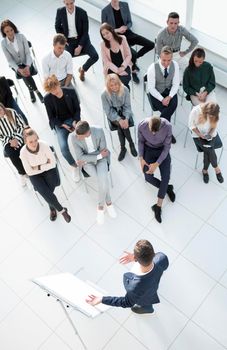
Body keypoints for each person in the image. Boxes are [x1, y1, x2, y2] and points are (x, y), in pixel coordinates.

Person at [86, 239, 169, 314]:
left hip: (145, 295)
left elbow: (126, 302)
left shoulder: (135, 287)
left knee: (145, 301)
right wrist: (137, 257)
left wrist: (102, 299)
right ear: (153, 253)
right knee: (148, 293)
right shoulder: (162, 257)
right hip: (152, 284)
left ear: (136, 258)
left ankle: (148, 309)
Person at [70, 120, 116, 225]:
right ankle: (108, 202)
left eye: (80, 136)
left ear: (87, 133)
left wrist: (93, 157)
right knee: (102, 180)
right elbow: (80, 157)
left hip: (101, 160)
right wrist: (97, 155)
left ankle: (100, 207)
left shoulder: (99, 131)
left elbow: (103, 150)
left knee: (102, 179)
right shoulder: (74, 137)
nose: (77, 138)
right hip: (88, 163)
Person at [20, 128, 71, 222]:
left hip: (49, 171)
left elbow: (53, 163)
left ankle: (52, 207)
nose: (34, 143)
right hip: (35, 175)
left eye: (35, 140)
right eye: (30, 142)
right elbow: (29, 172)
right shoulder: (23, 153)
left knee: (45, 192)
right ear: (25, 141)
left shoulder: (44, 145)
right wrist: (44, 164)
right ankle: (62, 210)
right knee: (44, 190)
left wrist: (37, 167)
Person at [101, 0, 154, 84]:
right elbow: (104, 29)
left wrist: (125, 27)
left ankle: (133, 62)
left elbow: (130, 22)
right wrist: (117, 30)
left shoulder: (125, 5)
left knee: (151, 44)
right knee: (132, 54)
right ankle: (133, 70)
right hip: (116, 37)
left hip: (128, 33)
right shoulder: (105, 11)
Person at [138, 116, 175, 223]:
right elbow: (140, 141)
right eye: (151, 131)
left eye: (156, 131)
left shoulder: (167, 126)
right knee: (148, 177)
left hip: (162, 151)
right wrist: (141, 158)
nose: (153, 134)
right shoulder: (142, 125)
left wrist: (157, 164)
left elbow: (167, 147)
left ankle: (158, 206)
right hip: (148, 150)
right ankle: (167, 188)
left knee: (166, 177)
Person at [43, 75, 81, 182]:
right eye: (51, 91)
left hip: (73, 119)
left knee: (81, 138)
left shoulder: (71, 92)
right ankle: (74, 166)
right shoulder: (47, 99)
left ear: (58, 84)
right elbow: (51, 118)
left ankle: (85, 159)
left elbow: (77, 109)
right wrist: (62, 125)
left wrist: (75, 121)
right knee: (63, 148)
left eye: (55, 89)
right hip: (60, 124)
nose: (54, 92)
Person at [1, 19, 43, 103]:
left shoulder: (21, 37)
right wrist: (18, 69)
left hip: (27, 62)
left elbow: (28, 53)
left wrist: (27, 66)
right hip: (16, 66)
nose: (10, 33)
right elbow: (10, 60)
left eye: (11, 30)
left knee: (25, 73)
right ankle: (37, 91)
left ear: (14, 28)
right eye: (7, 31)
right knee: (24, 73)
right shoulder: (3, 43)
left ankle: (31, 91)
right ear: (4, 32)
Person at [55, 0, 99, 81]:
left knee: (95, 56)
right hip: (68, 41)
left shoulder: (82, 12)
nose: (69, 6)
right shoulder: (60, 11)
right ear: (64, 2)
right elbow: (57, 27)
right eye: (67, 4)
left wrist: (80, 46)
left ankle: (83, 69)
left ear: (74, 1)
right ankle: (70, 77)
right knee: (64, 61)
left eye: (71, 3)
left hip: (82, 39)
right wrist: (63, 39)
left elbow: (85, 32)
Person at [147, 46, 179, 143]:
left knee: (172, 105)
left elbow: (176, 84)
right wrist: (162, 99)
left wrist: (169, 96)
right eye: (164, 60)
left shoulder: (175, 65)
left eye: (169, 60)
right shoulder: (152, 68)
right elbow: (151, 88)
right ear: (160, 57)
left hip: (169, 92)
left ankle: (157, 128)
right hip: (156, 93)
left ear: (172, 58)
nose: (166, 63)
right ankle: (168, 132)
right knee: (167, 110)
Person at [101, 73, 137, 161]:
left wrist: (127, 118)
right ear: (108, 86)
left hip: (124, 111)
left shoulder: (125, 89)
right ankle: (131, 144)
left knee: (123, 126)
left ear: (119, 82)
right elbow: (108, 111)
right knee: (122, 125)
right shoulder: (104, 94)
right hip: (113, 114)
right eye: (111, 85)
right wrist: (119, 119)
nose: (114, 87)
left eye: (116, 84)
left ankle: (123, 148)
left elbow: (128, 106)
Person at [188, 102, 224, 184]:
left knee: (208, 149)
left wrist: (210, 134)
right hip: (198, 135)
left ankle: (205, 170)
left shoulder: (215, 113)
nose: (211, 118)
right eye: (210, 116)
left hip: (210, 135)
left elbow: (214, 126)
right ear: (206, 112)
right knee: (209, 149)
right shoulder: (195, 111)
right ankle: (216, 169)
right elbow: (191, 126)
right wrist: (200, 135)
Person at [156, 12, 198, 79]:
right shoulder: (161, 34)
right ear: (167, 22)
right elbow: (159, 52)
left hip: (177, 54)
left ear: (178, 23)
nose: (173, 26)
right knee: (168, 74)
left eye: (176, 23)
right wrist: (166, 60)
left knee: (191, 66)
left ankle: (185, 82)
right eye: (171, 23)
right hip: (165, 56)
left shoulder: (181, 29)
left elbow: (195, 41)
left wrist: (185, 52)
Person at [0, 103, 27, 186]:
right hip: (7, 141)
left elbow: (21, 125)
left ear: (3, 108)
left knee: (22, 150)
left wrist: (16, 138)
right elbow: (1, 136)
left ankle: (29, 167)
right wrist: (11, 141)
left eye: (0, 110)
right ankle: (22, 173)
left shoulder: (12, 112)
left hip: (19, 135)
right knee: (11, 153)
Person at [100, 23, 132, 90]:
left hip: (124, 66)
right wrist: (118, 70)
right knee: (114, 85)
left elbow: (129, 55)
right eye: (103, 35)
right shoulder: (102, 44)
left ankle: (125, 98)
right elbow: (106, 61)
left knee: (123, 82)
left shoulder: (122, 38)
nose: (106, 36)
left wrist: (123, 67)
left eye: (107, 33)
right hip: (111, 69)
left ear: (111, 30)